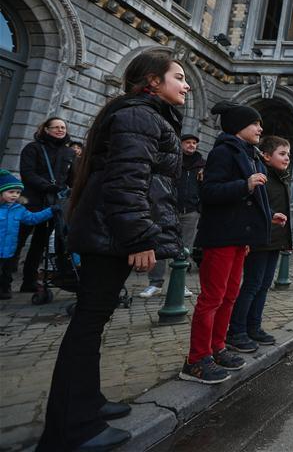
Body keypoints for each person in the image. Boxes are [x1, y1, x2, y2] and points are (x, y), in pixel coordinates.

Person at [37, 49, 189, 451]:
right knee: (88, 323)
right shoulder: (139, 115)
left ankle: (88, 402)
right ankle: (71, 429)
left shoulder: (143, 114)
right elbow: (127, 181)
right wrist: (139, 238)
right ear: (152, 81)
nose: (186, 84)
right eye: (178, 76)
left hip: (109, 231)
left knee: (95, 320)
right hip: (112, 234)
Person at [181, 101, 286, 384]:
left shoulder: (248, 154)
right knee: (212, 298)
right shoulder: (223, 152)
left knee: (229, 295)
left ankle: (217, 347)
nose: (260, 128)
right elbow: (211, 192)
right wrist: (245, 184)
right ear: (239, 126)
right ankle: (196, 359)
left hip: (240, 237)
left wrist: (268, 217)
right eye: (255, 124)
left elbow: (252, 200)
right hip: (221, 236)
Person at [228, 135, 293, 348]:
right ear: (266, 156)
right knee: (252, 285)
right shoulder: (262, 176)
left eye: (288, 155)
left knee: (264, 285)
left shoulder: (281, 178)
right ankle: (237, 331)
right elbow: (255, 207)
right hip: (259, 240)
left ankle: (254, 327)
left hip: (274, 240)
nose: (287, 159)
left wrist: (286, 240)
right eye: (282, 154)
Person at [15, 117, 76, 292]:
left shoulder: (69, 153)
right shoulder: (33, 148)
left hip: (53, 205)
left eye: (63, 127)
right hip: (30, 201)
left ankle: (29, 281)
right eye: (56, 127)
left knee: (40, 244)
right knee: (17, 241)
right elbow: (27, 173)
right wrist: (49, 186)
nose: (60, 130)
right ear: (46, 130)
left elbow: (73, 177)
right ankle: (4, 281)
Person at [139, 133, 203, 298]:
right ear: (180, 144)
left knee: (184, 249)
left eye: (194, 143)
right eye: (188, 142)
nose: (191, 145)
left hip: (190, 211)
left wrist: (198, 206)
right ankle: (155, 283)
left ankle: (180, 283)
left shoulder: (202, 164)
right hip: (167, 209)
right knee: (160, 245)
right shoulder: (171, 160)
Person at [0, 171, 54, 299]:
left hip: (9, 251)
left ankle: (4, 290)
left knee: (6, 274)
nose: (14, 195)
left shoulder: (19, 209)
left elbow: (32, 219)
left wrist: (51, 211)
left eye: (18, 192)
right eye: (11, 192)